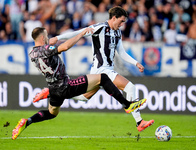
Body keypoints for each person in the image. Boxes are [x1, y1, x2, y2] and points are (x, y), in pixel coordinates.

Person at [12, 26, 147, 140]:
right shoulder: (45, 49)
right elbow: (64, 47)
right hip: (65, 85)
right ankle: (127, 104)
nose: (48, 38)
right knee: (103, 78)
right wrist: (81, 34)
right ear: (42, 38)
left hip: (54, 89)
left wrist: (54, 41)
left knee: (51, 113)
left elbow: (48, 52)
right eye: (46, 36)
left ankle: (27, 121)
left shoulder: (32, 54)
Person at [34, 6, 154, 132]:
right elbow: (80, 32)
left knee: (83, 98)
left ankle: (50, 93)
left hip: (102, 71)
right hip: (102, 70)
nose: (122, 24)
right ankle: (139, 122)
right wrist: (58, 38)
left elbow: (121, 52)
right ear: (114, 18)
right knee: (130, 87)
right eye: (121, 21)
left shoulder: (117, 32)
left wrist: (136, 63)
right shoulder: (100, 27)